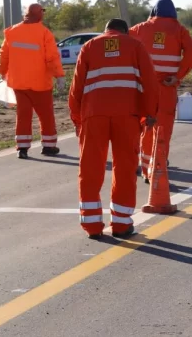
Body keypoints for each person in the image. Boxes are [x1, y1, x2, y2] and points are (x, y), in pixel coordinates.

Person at [68, 18, 159, 239]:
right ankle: (120, 224)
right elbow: (149, 82)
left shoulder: (90, 46)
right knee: (125, 168)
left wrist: (78, 119)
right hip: (127, 116)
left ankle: (92, 226)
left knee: (90, 169)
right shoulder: (135, 46)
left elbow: (76, 87)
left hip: (93, 116)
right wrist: (150, 114)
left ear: (106, 31)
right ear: (125, 32)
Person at [129, 0, 192, 183]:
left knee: (145, 126)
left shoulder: (140, 28)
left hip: (144, 88)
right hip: (167, 87)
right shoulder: (179, 30)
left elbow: (122, 41)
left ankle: (144, 167)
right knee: (163, 128)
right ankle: (157, 165)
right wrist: (178, 76)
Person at [0, 3, 66, 159]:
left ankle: (22, 148)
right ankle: (48, 146)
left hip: (19, 83)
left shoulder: (12, 32)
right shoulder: (44, 33)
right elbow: (52, 57)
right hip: (40, 84)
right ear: (40, 14)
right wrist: (59, 76)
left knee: (23, 115)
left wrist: (2, 72)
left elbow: (4, 54)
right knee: (46, 116)